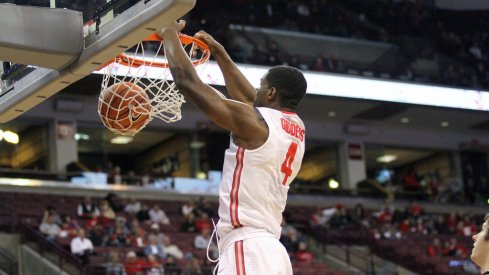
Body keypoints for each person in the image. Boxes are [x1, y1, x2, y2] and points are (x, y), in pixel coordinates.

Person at [160, 20, 307, 275]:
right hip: (272, 250)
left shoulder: (258, 124)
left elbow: (189, 83)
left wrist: (168, 34)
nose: (256, 90)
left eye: (261, 85)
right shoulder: (295, 127)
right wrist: (219, 52)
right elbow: (250, 99)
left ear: (271, 93)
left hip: (248, 245)